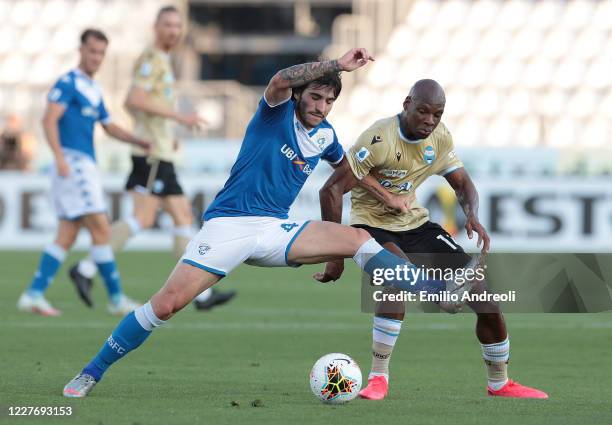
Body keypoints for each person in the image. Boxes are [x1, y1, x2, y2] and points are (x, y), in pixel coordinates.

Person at [62, 49, 478, 398]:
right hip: (228, 226)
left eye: (328, 101)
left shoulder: (327, 136)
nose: (320, 107)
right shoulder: (273, 113)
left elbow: (345, 177)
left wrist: (385, 199)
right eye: (314, 97)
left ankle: (432, 288)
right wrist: (337, 63)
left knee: (359, 237)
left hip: (274, 230)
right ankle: (91, 371)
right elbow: (281, 77)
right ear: (300, 95)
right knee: (166, 304)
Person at [317, 79, 548, 399]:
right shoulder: (378, 138)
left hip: (416, 224)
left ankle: (500, 382)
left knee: (482, 296)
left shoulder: (439, 138)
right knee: (394, 276)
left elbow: (463, 183)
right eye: (423, 111)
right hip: (372, 225)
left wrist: (472, 215)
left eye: (437, 114)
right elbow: (331, 189)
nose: (429, 120)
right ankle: (378, 377)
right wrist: (334, 254)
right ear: (406, 104)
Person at [67, 6, 235, 311]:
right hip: (152, 156)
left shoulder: (163, 60)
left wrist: (160, 128)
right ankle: (87, 268)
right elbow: (133, 99)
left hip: (160, 151)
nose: (173, 30)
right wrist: (176, 118)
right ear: (155, 28)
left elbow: (138, 106)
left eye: (177, 25)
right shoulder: (152, 59)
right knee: (145, 218)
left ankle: (201, 295)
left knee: (182, 217)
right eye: (167, 25)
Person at [16, 29, 151, 317]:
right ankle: (116, 299)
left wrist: (136, 140)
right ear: (81, 50)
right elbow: (49, 119)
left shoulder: (93, 89)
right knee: (101, 227)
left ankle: (33, 294)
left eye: (101, 53)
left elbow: (109, 126)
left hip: (84, 164)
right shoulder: (68, 83)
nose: (96, 58)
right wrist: (60, 157)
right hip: (74, 163)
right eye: (92, 51)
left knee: (67, 233)